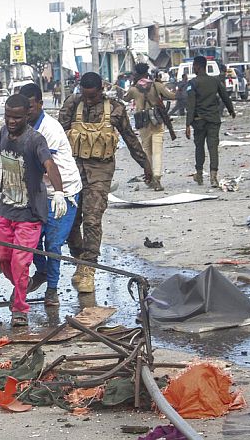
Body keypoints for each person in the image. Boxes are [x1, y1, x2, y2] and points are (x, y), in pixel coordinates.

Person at [59, 72, 152, 293]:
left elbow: (129, 137)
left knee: (92, 219)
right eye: (85, 95)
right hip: (73, 170)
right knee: (71, 221)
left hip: (100, 170)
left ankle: (88, 269)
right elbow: (56, 134)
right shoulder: (73, 104)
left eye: (92, 96)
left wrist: (145, 164)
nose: (88, 100)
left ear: (101, 89)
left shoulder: (116, 108)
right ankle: (80, 257)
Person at [0, 94, 66, 326]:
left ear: (27, 115)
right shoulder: (3, 134)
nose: (11, 121)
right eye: (8, 116)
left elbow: (49, 164)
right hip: (7, 209)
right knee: (4, 258)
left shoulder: (36, 140)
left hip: (30, 214)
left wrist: (59, 192)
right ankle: (19, 288)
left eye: (16, 117)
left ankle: (20, 309)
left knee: (21, 262)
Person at [19, 83, 82, 306]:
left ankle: (52, 289)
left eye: (30, 107)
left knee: (53, 243)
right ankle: (43, 271)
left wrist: (58, 192)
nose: (26, 112)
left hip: (63, 190)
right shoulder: (22, 127)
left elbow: (46, 165)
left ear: (39, 104)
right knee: (30, 239)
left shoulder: (50, 129)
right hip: (39, 190)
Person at [124, 63, 176, 191]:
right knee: (157, 150)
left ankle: (149, 177)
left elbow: (125, 99)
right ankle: (157, 178)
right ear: (147, 72)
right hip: (157, 121)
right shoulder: (156, 85)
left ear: (137, 73)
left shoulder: (134, 89)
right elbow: (171, 96)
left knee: (147, 150)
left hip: (143, 123)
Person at [185, 56, 235, 188]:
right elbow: (225, 96)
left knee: (199, 147)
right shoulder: (215, 81)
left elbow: (191, 104)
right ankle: (213, 177)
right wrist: (231, 110)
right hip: (213, 120)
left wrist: (187, 124)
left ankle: (200, 174)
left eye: (194, 66)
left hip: (199, 121)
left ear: (197, 66)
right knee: (213, 148)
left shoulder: (193, 83)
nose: (193, 68)